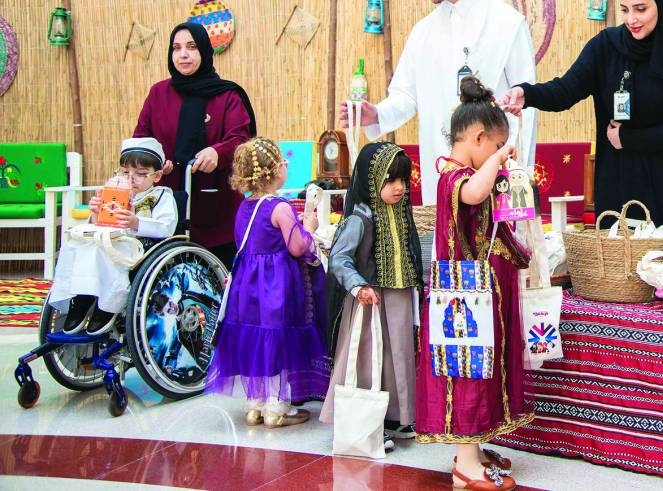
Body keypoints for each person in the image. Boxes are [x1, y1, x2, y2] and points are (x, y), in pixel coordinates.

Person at [499, 0, 663, 241]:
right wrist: (526, 94)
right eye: (624, 10)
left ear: (660, 4)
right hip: (621, 179)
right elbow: (565, 90)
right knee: (620, 270)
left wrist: (631, 138)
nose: (631, 19)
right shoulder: (605, 47)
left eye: (641, 9)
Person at [339, 0, 537, 207]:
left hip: (496, 171)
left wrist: (517, 173)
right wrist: (377, 114)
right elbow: (406, 96)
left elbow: (525, 105)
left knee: (498, 249)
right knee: (446, 247)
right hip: (442, 170)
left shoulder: (507, 24)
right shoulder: (423, 32)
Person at [416, 77, 531, 491]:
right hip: (461, 302)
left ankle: (474, 448)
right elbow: (475, 192)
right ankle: (465, 465)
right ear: (480, 138)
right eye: (495, 144)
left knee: (481, 369)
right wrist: (500, 159)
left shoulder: (466, 169)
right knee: (467, 371)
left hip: (475, 295)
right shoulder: (452, 176)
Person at [205, 137, 328, 428]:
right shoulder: (279, 206)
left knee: (256, 340)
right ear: (274, 171)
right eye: (283, 163)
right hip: (277, 287)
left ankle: (253, 405)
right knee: (277, 341)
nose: (286, 167)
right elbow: (298, 247)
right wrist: (308, 225)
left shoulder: (244, 207)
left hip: (246, 287)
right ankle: (276, 407)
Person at [318, 142, 423, 452]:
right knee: (367, 360)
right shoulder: (360, 218)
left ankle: (395, 417)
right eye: (390, 180)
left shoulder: (401, 215)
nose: (399, 188)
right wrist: (359, 286)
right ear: (371, 180)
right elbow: (339, 258)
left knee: (398, 357)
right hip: (369, 304)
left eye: (403, 181)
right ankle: (364, 421)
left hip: (399, 301)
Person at [134, 21, 256, 268]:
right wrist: (156, 161)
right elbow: (141, 140)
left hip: (216, 207)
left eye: (191, 47)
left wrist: (217, 152)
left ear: (204, 51)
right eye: (176, 48)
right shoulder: (158, 94)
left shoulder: (227, 96)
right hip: (165, 204)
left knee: (217, 278)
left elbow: (241, 140)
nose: (183, 54)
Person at [49, 137, 177, 335]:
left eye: (140, 174)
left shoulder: (161, 196)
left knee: (108, 252)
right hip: (108, 240)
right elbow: (101, 224)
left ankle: (107, 306)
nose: (131, 178)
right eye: (125, 172)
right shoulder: (113, 191)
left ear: (157, 176)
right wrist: (95, 213)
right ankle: (82, 296)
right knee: (78, 245)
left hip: (139, 247)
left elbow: (166, 227)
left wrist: (137, 223)